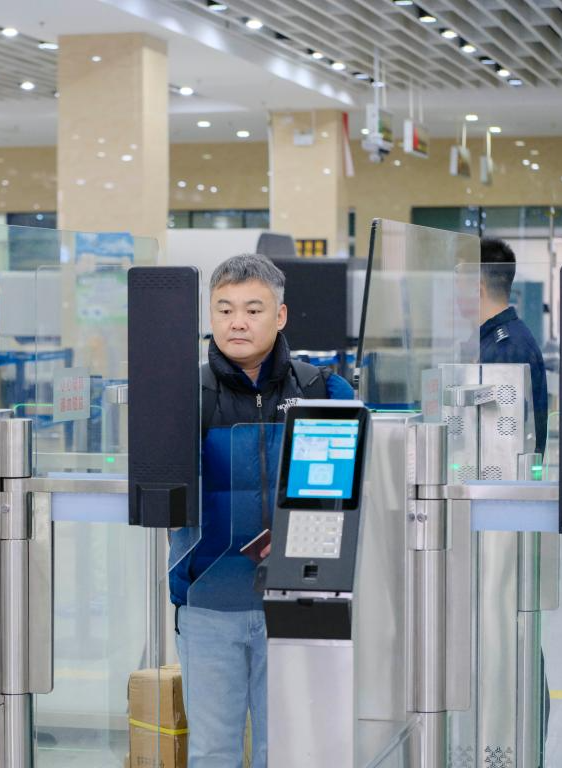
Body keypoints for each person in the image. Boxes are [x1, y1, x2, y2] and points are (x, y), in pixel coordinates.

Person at [169, 254, 353, 768]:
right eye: (224, 309)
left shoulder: (324, 391)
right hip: (208, 605)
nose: (238, 322)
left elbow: (350, 501)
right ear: (210, 317)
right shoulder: (184, 397)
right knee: (213, 751)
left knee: (292, 750)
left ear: (281, 315)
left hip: (299, 605)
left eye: (253, 309)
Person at [479, 238, 548, 455]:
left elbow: (503, 442)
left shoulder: (506, 348)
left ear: (477, 288)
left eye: (458, 282)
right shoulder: (498, 339)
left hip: (501, 484)